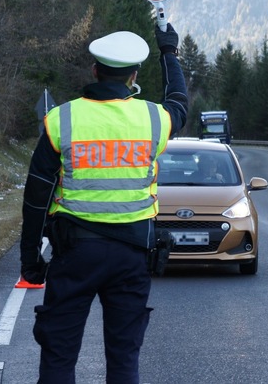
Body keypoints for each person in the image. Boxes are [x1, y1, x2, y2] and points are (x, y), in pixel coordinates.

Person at [19, 23, 188, 384]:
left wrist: (30, 260)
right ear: (133, 77)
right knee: (124, 358)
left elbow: (36, 197)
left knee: (59, 356)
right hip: (132, 256)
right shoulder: (153, 118)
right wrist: (169, 52)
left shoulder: (61, 119)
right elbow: (180, 103)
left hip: (75, 255)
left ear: (95, 70)